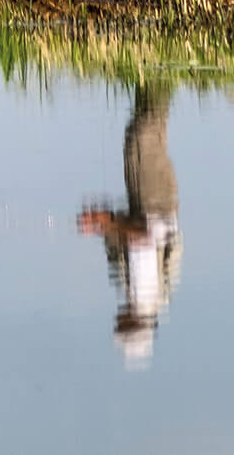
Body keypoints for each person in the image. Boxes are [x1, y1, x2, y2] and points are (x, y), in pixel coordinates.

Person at [78, 85, 181, 366]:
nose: (117, 321)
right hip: (155, 203)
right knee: (144, 133)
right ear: (136, 324)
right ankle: (159, 72)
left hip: (149, 204)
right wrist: (104, 222)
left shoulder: (134, 293)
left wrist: (103, 222)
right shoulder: (147, 295)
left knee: (139, 134)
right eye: (122, 327)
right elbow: (142, 238)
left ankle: (150, 73)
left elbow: (125, 236)